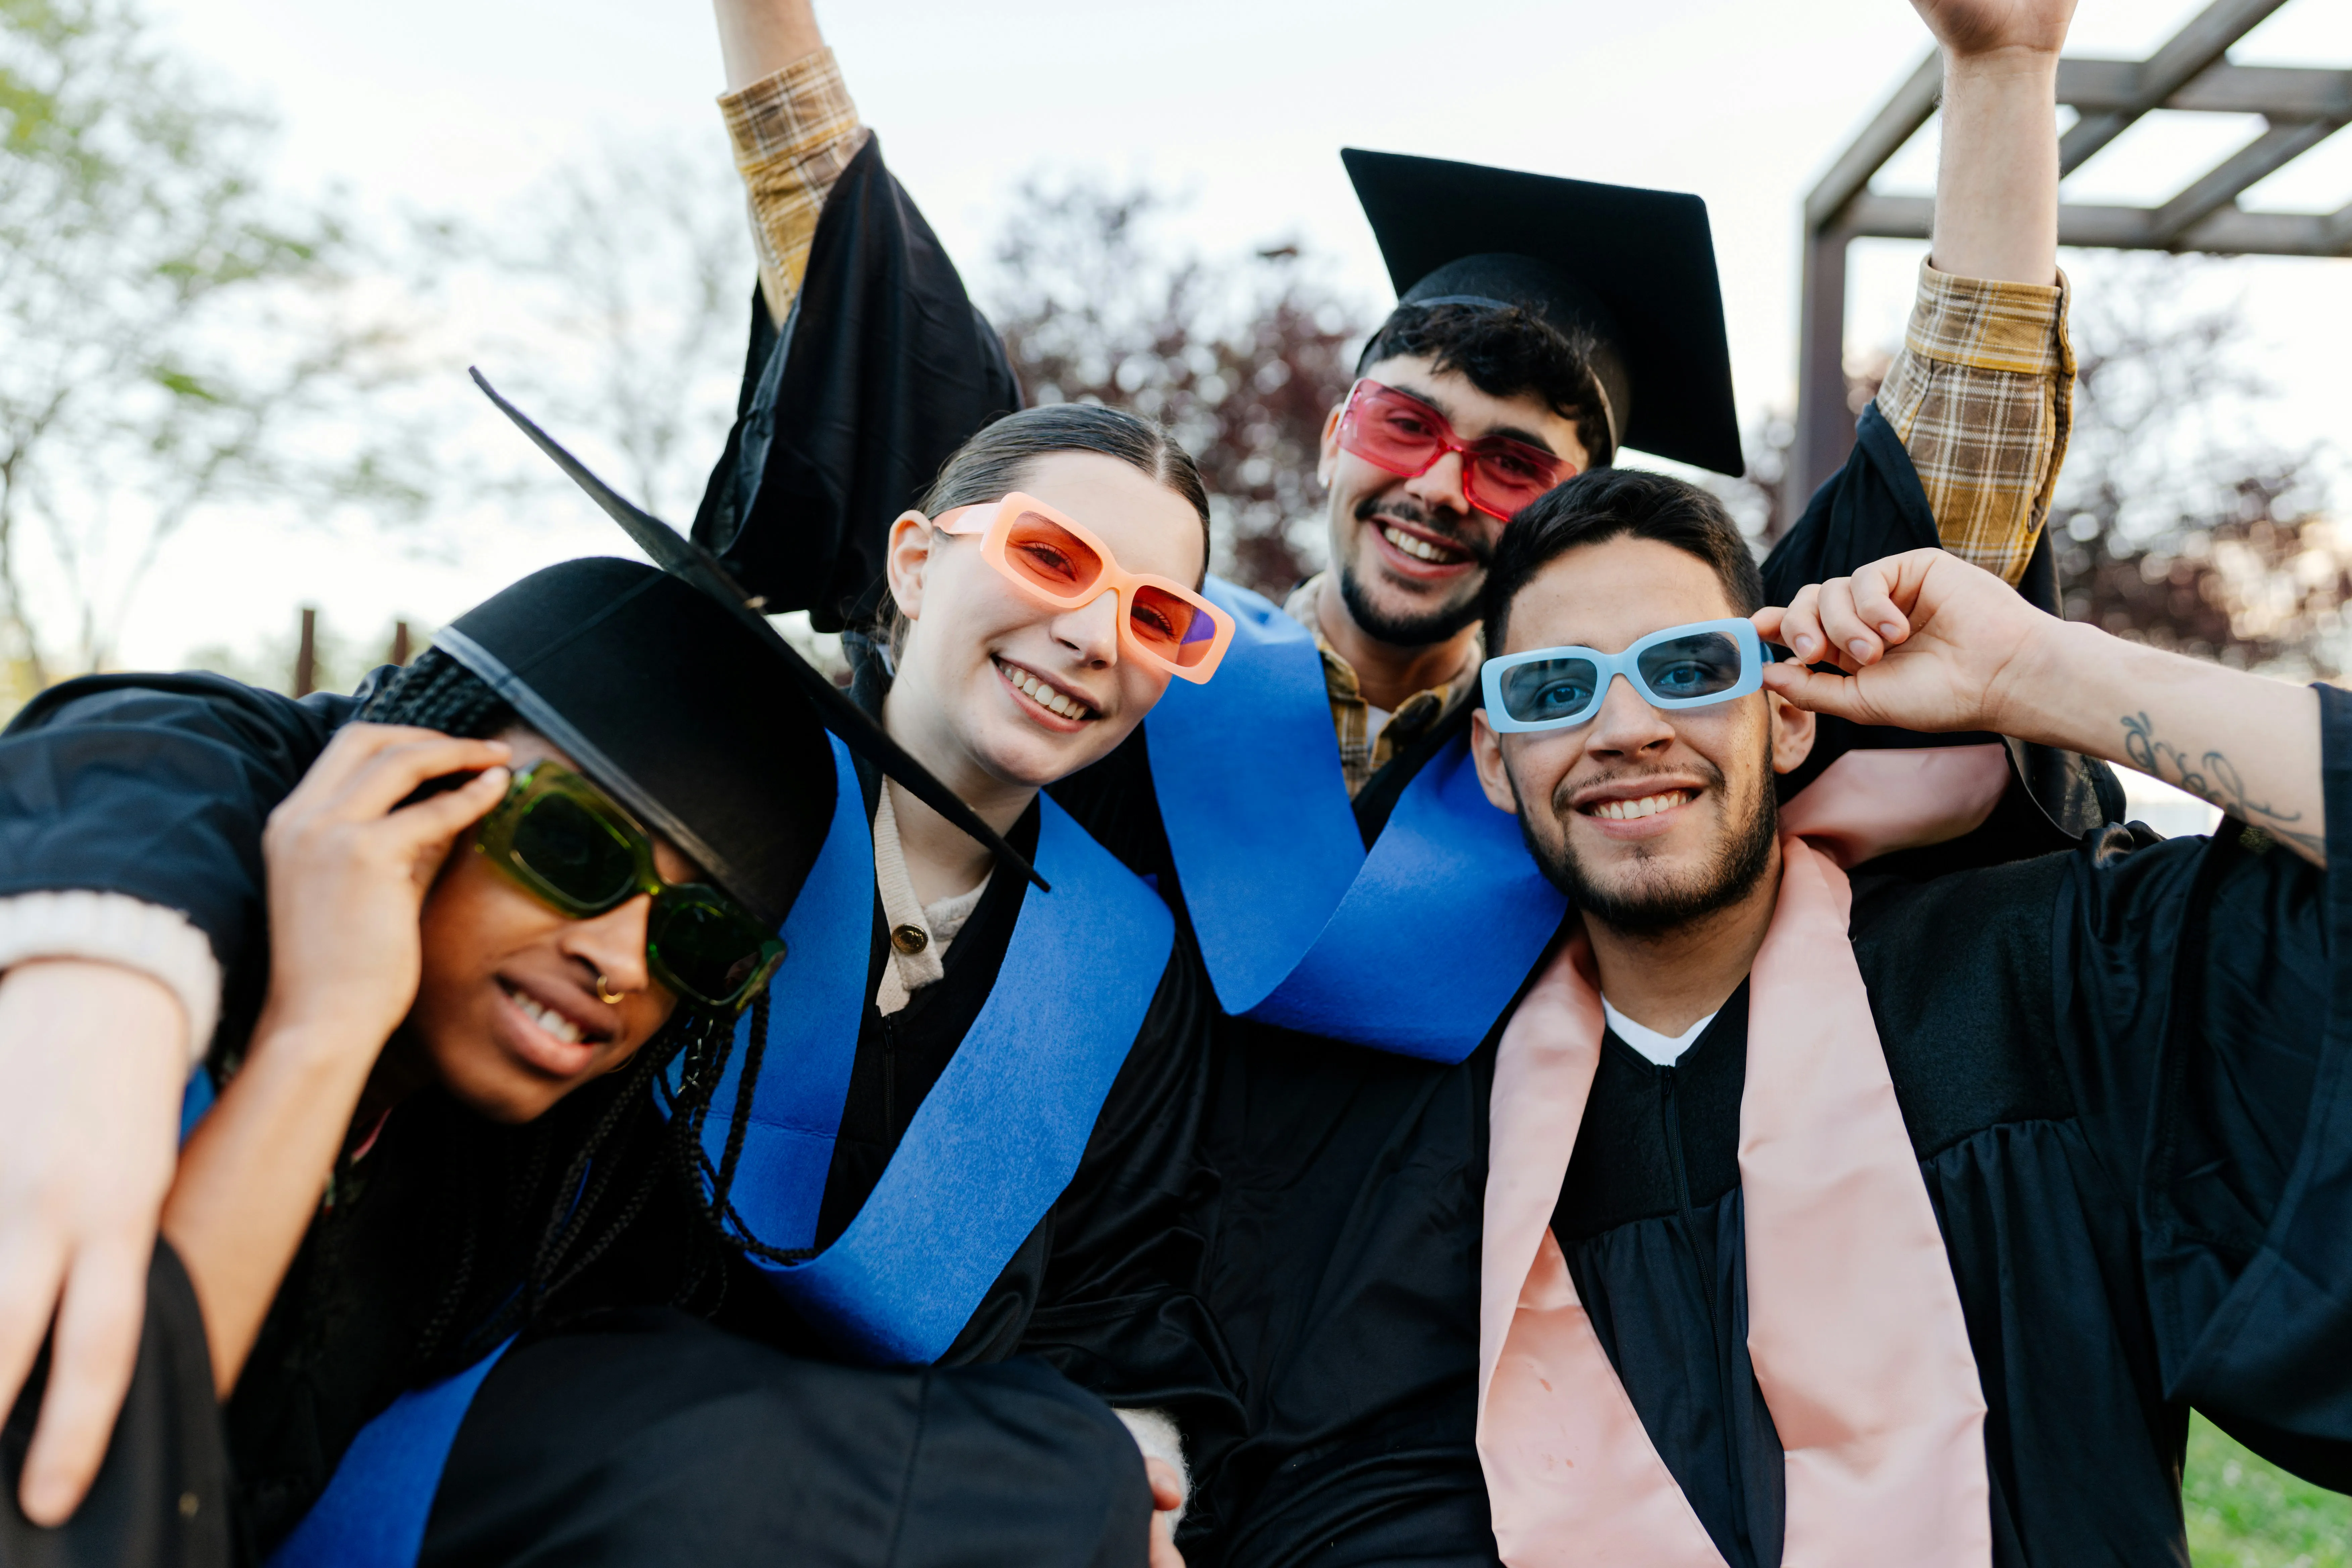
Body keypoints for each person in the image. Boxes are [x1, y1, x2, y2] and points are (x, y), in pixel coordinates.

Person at [680, 0, 2095, 1558]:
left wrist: (2003, 75)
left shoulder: (1600, 768)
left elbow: (1924, 521)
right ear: (1342, 434)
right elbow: (900, 349)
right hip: (1055, 1388)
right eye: (1407, 420)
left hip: (1415, 1453)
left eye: (1514, 464)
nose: (1439, 485)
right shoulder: (1141, 675)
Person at [0, 386, 1239, 1567]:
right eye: (1054, 559)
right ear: (914, 562)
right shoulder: (694, 737)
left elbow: (1113, 1281)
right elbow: (288, 747)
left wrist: (1130, 1461)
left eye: (1157, 618)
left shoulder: (1128, 970)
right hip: (497, 1435)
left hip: (830, 1484)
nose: (1092, 635)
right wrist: (103, 967)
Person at [1466, 473, 2352, 1565]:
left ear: (1787, 716)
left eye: (1689, 668)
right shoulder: (1461, 1138)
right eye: (1554, 689)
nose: (1628, 729)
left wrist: (2041, 674)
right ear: (1493, 761)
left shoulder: (2048, 974)